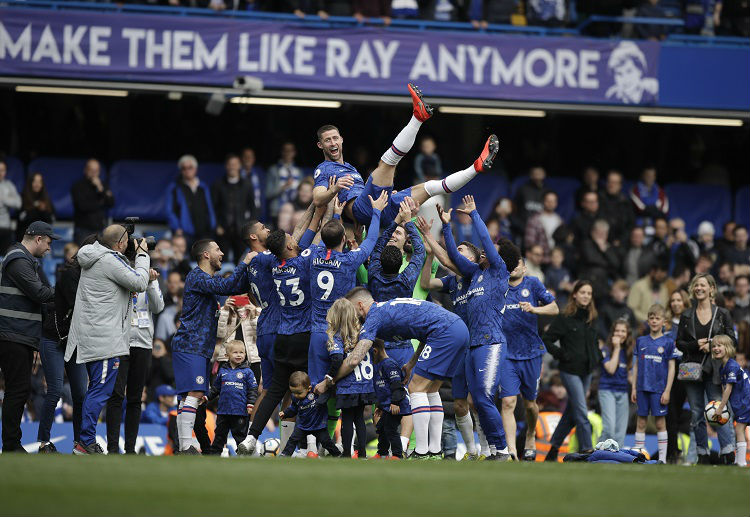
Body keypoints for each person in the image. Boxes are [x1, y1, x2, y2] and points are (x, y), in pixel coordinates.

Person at [312, 84, 498, 227]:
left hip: (382, 210)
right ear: (320, 145)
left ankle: (476, 168)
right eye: (327, 140)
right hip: (364, 209)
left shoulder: (350, 168)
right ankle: (418, 117)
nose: (333, 143)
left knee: (432, 188)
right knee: (387, 164)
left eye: (335, 138)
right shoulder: (324, 168)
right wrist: (335, 188)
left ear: (342, 139)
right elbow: (317, 199)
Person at [330, 288, 470, 459]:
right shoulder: (387, 308)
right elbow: (426, 333)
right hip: (457, 328)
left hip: (444, 332)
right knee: (432, 390)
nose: (353, 318)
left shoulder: (374, 316)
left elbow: (354, 359)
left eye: (352, 311)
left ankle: (422, 450)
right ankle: (434, 451)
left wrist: (331, 379)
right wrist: (411, 363)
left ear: (360, 306)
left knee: (416, 388)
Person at [237, 204, 328, 455]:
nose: (293, 239)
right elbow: (314, 240)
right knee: (306, 387)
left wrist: (315, 211)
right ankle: (305, 445)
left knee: (273, 390)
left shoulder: (264, 261)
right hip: (300, 334)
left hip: (276, 335)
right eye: (263, 228)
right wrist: (329, 213)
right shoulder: (303, 261)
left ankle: (251, 438)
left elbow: (296, 240)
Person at [439, 195, 522, 460]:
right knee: (478, 400)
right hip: (474, 345)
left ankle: (502, 450)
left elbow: (486, 241)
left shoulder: (499, 272)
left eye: (493, 249)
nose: (486, 250)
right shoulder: (475, 275)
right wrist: (445, 226)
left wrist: (474, 215)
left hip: (491, 342)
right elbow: (452, 256)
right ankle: (495, 450)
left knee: (485, 397)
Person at [65, 225, 151, 454]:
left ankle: (85, 440)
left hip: (96, 335)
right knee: (100, 391)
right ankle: (85, 442)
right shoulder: (108, 261)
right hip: (104, 339)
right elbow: (140, 282)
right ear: (120, 243)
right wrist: (142, 254)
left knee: (96, 389)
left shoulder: (96, 257)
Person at [307, 193, 386, 444]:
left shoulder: (314, 255)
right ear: (344, 238)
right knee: (338, 388)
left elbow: (324, 236)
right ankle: (337, 443)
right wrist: (376, 212)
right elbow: (371, 240)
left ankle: (312, 444)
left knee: (316, 388)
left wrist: (337, 216)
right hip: (342, 333)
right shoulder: (350, 260)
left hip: (317, 332)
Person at [170, 239, 251, 454]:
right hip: (191, 345)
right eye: (218, 249)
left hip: (200, 348)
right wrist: (245, 262)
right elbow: (227, 286)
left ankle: (186, 445)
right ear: (206, 254)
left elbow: (233, 288)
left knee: (189, 397)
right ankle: (186, 444)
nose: (222, 253)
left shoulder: (207, 281)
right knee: (195, 394)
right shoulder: (197, 276)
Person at [417, 221, 483, 460]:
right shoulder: (452, 281)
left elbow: (448, 258)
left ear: (473, 261)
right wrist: (427, 257)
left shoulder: (475, 274)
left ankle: (490, 449)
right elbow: (426, 284)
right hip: (460, 346)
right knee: (459, 404)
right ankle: (473, 452)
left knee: (479, 401)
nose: (457, 253)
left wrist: (428, 236)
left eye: (462, 250)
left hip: (480, 344)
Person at [0, 221, 57, 452]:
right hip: (12, 334)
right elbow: (40, 292)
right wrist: (64, 294)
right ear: (38, 239)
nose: (49, 249)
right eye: (49, 243)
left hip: (18, 334)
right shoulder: (18, 259)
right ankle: (12, 444)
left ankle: (12, 443)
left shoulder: (24, 260)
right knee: (17, 390)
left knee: (19, 390)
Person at [36, 234, 95, 453]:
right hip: (54, 338)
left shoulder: (92, 275)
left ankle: (78, 443)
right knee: (55, 391)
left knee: (81, 394)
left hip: (74, 341)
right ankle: (43, 442)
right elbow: (79, 306)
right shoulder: (71, 274)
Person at [500, 260, 559, 460]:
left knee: (530, 405)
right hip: (506, 354)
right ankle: (511, 452)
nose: (514, 267)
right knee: (508, 402)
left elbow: (554, 308)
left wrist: (535, 309)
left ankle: (531, 434)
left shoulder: (533, 284)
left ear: (524, 268)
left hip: (531, 353)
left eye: (518, 264)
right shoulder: (499, 285)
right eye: (511, 264)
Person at [675, 273, 737, 465]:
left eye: (703, 285)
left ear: (711, 289)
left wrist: (712, 345)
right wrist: (695, 346)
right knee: (696, 413)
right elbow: (679, 343)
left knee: (719, 409)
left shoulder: (722, 314)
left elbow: (733, 342)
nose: (699, 288)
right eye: (696, 285)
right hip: (692, 371)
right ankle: (702, 453)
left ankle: (728, 451)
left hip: (715, 371)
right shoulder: (686, 315)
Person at [106, 257, 165, 454]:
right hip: (119, 342)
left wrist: (150, 282)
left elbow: (158, 307)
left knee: (135, 397)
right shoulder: (119, 276)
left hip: (143, 343)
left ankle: (130, 448)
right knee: (116, 395)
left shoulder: (150, 280)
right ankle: (112, 447)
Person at [542, 280, 600, 461]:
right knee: (581, 412)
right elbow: (547, 338)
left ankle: (553, 448)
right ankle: (587, 450)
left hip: (587, 371)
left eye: (589, 293)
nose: (586, 296)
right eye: (583, 292)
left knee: (573, 411)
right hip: (569, 371)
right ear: (574, 294)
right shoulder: (564, 318)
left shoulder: (591, 318)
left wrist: (597, 356)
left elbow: (594, 343)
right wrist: (561, 354)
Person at [631, 304, 678, 464]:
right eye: (651, 318)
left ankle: (662, 460)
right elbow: (636, 366)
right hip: (642, 387)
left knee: (660, 423)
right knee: (641, 421)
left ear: (664, 321)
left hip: (659, 389)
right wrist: (633, 387)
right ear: (648, 320)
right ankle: (639, 457)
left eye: (657, 318)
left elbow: (672, 367)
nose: (654, 321)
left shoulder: (668, 342)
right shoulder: (641, 340)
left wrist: (667, 390)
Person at [328, 303, 376, 459]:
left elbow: (336, 359)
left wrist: (330, 377)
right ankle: (361, 453)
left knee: (347, 418)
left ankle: (347, 453)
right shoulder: (364, 333)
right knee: (360, 418)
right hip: (365, 384)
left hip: (348, 385)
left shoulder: (338, 336)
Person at [206, 340, 258, 455]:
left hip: (239, 411)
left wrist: (251, 404)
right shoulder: (223, 370)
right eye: (235, 352)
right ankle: (214, 455)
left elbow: (253, 390)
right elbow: (216, 388)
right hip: (223, 411)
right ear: (227, 355)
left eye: (241, 352)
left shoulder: (248, 372)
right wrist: (207, 397)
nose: (239, 355)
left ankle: (243, 455)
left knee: (240, 436)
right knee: (219, 435)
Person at [278, 371, 342, 457]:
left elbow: (327, 393)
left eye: (299, 393)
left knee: (326, 441)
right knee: (293, 439)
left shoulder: (316, 390)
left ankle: (337, 454)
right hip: (303, 425)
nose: (296, 395)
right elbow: (293, 408)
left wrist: (320, 401)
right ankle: (285, 454)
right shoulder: (295, 397)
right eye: (293, 392)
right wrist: (285, 413)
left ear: (309, 388)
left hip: (318, 425)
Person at [711, 335, 750, 467]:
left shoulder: (731, 366)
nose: (716, 348)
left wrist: (721, 407)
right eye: (714, 346)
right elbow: (724, 388)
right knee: (740, 429)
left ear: (727, 348)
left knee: (739, 429)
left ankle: (741, 462)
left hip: (745, 400)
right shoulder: (723, 367)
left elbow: (729, 388)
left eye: (719, 345)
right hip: (740, 401)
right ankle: (739, 462)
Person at [212, 153, 257, 264]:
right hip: (223, 230)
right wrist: (217, 225)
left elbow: (253, 207)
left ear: (239, 166)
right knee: (223, 261)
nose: (232, 166)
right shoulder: (218, 184)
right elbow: (213, 207)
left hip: (241, 230)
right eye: (230, 164)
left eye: (235, 164)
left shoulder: (247, 184)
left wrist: (249, 227)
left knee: (242, 261)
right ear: (226, 166)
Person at [372, 339, 411, 459]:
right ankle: (382, 453)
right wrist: (380, 406)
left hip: (396, 405)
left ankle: (397, 455)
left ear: (375, 351)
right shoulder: (379, 366)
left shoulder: (389, 364)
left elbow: (397, 386)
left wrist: (395, 403)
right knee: (381, 428)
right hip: (387, 406)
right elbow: (383, 389)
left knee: (390, 429)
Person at [665, 289, 691, 463]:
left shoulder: (690, 322)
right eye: (673, 300)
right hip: (667, 373)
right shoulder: (665, 324)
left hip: (686, 371)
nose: (675, 303)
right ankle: (672, 451)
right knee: (670, 414)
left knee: (683, 412)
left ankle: (679, 451)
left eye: (679, 300)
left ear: (684, 303)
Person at [598, 319, 633, 450]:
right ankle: (599, 452)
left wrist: (636, 389)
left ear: (627, 334)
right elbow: (611, 369)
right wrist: (617, 348)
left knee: (620, 432)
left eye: (623, 331)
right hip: (607, 391)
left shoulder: (629, 351)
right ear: (612, 333)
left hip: (623, 392)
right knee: (609, 429)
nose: (620, 334)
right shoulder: (605, 349)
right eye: (617, 330)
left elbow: (630, 375)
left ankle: (616, 459)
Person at [166, 155, 216, 244]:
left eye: (190, 167)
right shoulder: (175, 188)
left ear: (195, 169)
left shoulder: (203, 187)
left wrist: (212, 225)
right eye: (184, 168)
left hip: (205, 232)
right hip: (185, 233)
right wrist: (177, 227)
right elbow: (170, 210)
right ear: (181, 170)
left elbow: (210, 208)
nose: (187, 170)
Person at [71, 158, 114, 245]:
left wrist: (101, 189)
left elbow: (111, 203)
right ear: (86, 170)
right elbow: (83, 206)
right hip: (83, 229)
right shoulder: (78, 186)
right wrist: (101, 203)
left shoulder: (102, 185)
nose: (94, 173)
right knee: (82, 256)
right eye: (92, 170)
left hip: (100, 229)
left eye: (97, 170)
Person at [266, 142, 304, 219]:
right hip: (277, 211)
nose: (288, 153)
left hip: (296, 211)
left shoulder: (299, 172)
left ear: (294, 153)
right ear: (282, 152)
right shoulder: (273, 170)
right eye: (286, 150)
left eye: (290, 151)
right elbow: (268, 194)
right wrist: (283, 187)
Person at [598, 170, 634, 247]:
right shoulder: (598, 200)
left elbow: (630, 225)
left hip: (620, 243)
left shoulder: (626, 203)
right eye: (609, 182)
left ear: (620, 185)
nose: (611, 185)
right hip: (600, 240)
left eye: (614, 183)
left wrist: (620, 241)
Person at [16, 172, 55, 243]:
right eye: (35, 181)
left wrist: (43, 210)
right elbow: (21, 219)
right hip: (25, 240)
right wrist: (34, 207)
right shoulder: (23, 198)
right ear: (30, 183)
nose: (37, 184)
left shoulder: (46, 199)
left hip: (42, 241)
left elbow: (52, 219)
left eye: (40, 182)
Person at [524, 190, 562, 259]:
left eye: (553, 201)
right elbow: (529, 243)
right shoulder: (534, 220)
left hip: (555, 259)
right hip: (540, 259)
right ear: (543, 201)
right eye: (548, 201)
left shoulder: (559, 220)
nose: (551, 203)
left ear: (556, 203)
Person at [629, 166, 668, 232]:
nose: (650, 178)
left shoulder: (660, 190)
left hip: (656, 222)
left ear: (655, 177)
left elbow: (664, 210)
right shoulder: (635, 189)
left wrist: (649, 209)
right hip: (640, 222)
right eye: (648, 175)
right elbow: (640, 208)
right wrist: (654, 209)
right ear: (643, 176)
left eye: (652, 176)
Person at [0, 159, 22, 253]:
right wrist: (8, 198)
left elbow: (18, 203)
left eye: (2, 170)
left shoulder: (9, 186)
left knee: (6, 258)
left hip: (5, 228)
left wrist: (4, 199)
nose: (0, 173)